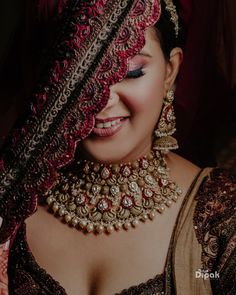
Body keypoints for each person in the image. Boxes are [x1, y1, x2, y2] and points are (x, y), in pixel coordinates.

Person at [0, 0, 235, 294]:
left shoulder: (222, 216)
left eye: (131, 72)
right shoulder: (13, 204)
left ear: (171, 71)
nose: (103, 99)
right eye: (85, 73)